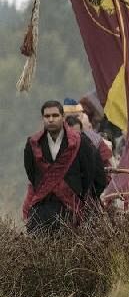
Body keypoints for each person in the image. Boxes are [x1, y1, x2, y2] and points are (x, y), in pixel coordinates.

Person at [23, 100, 95, 234]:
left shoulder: (80, 142)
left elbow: (88, 174)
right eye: (47, 116)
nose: (51, 119)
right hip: (42, 209)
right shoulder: (33, 144)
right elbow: (31, 174)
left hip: (69, 208)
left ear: (63, 117)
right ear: (43, 118)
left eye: (55, 115)